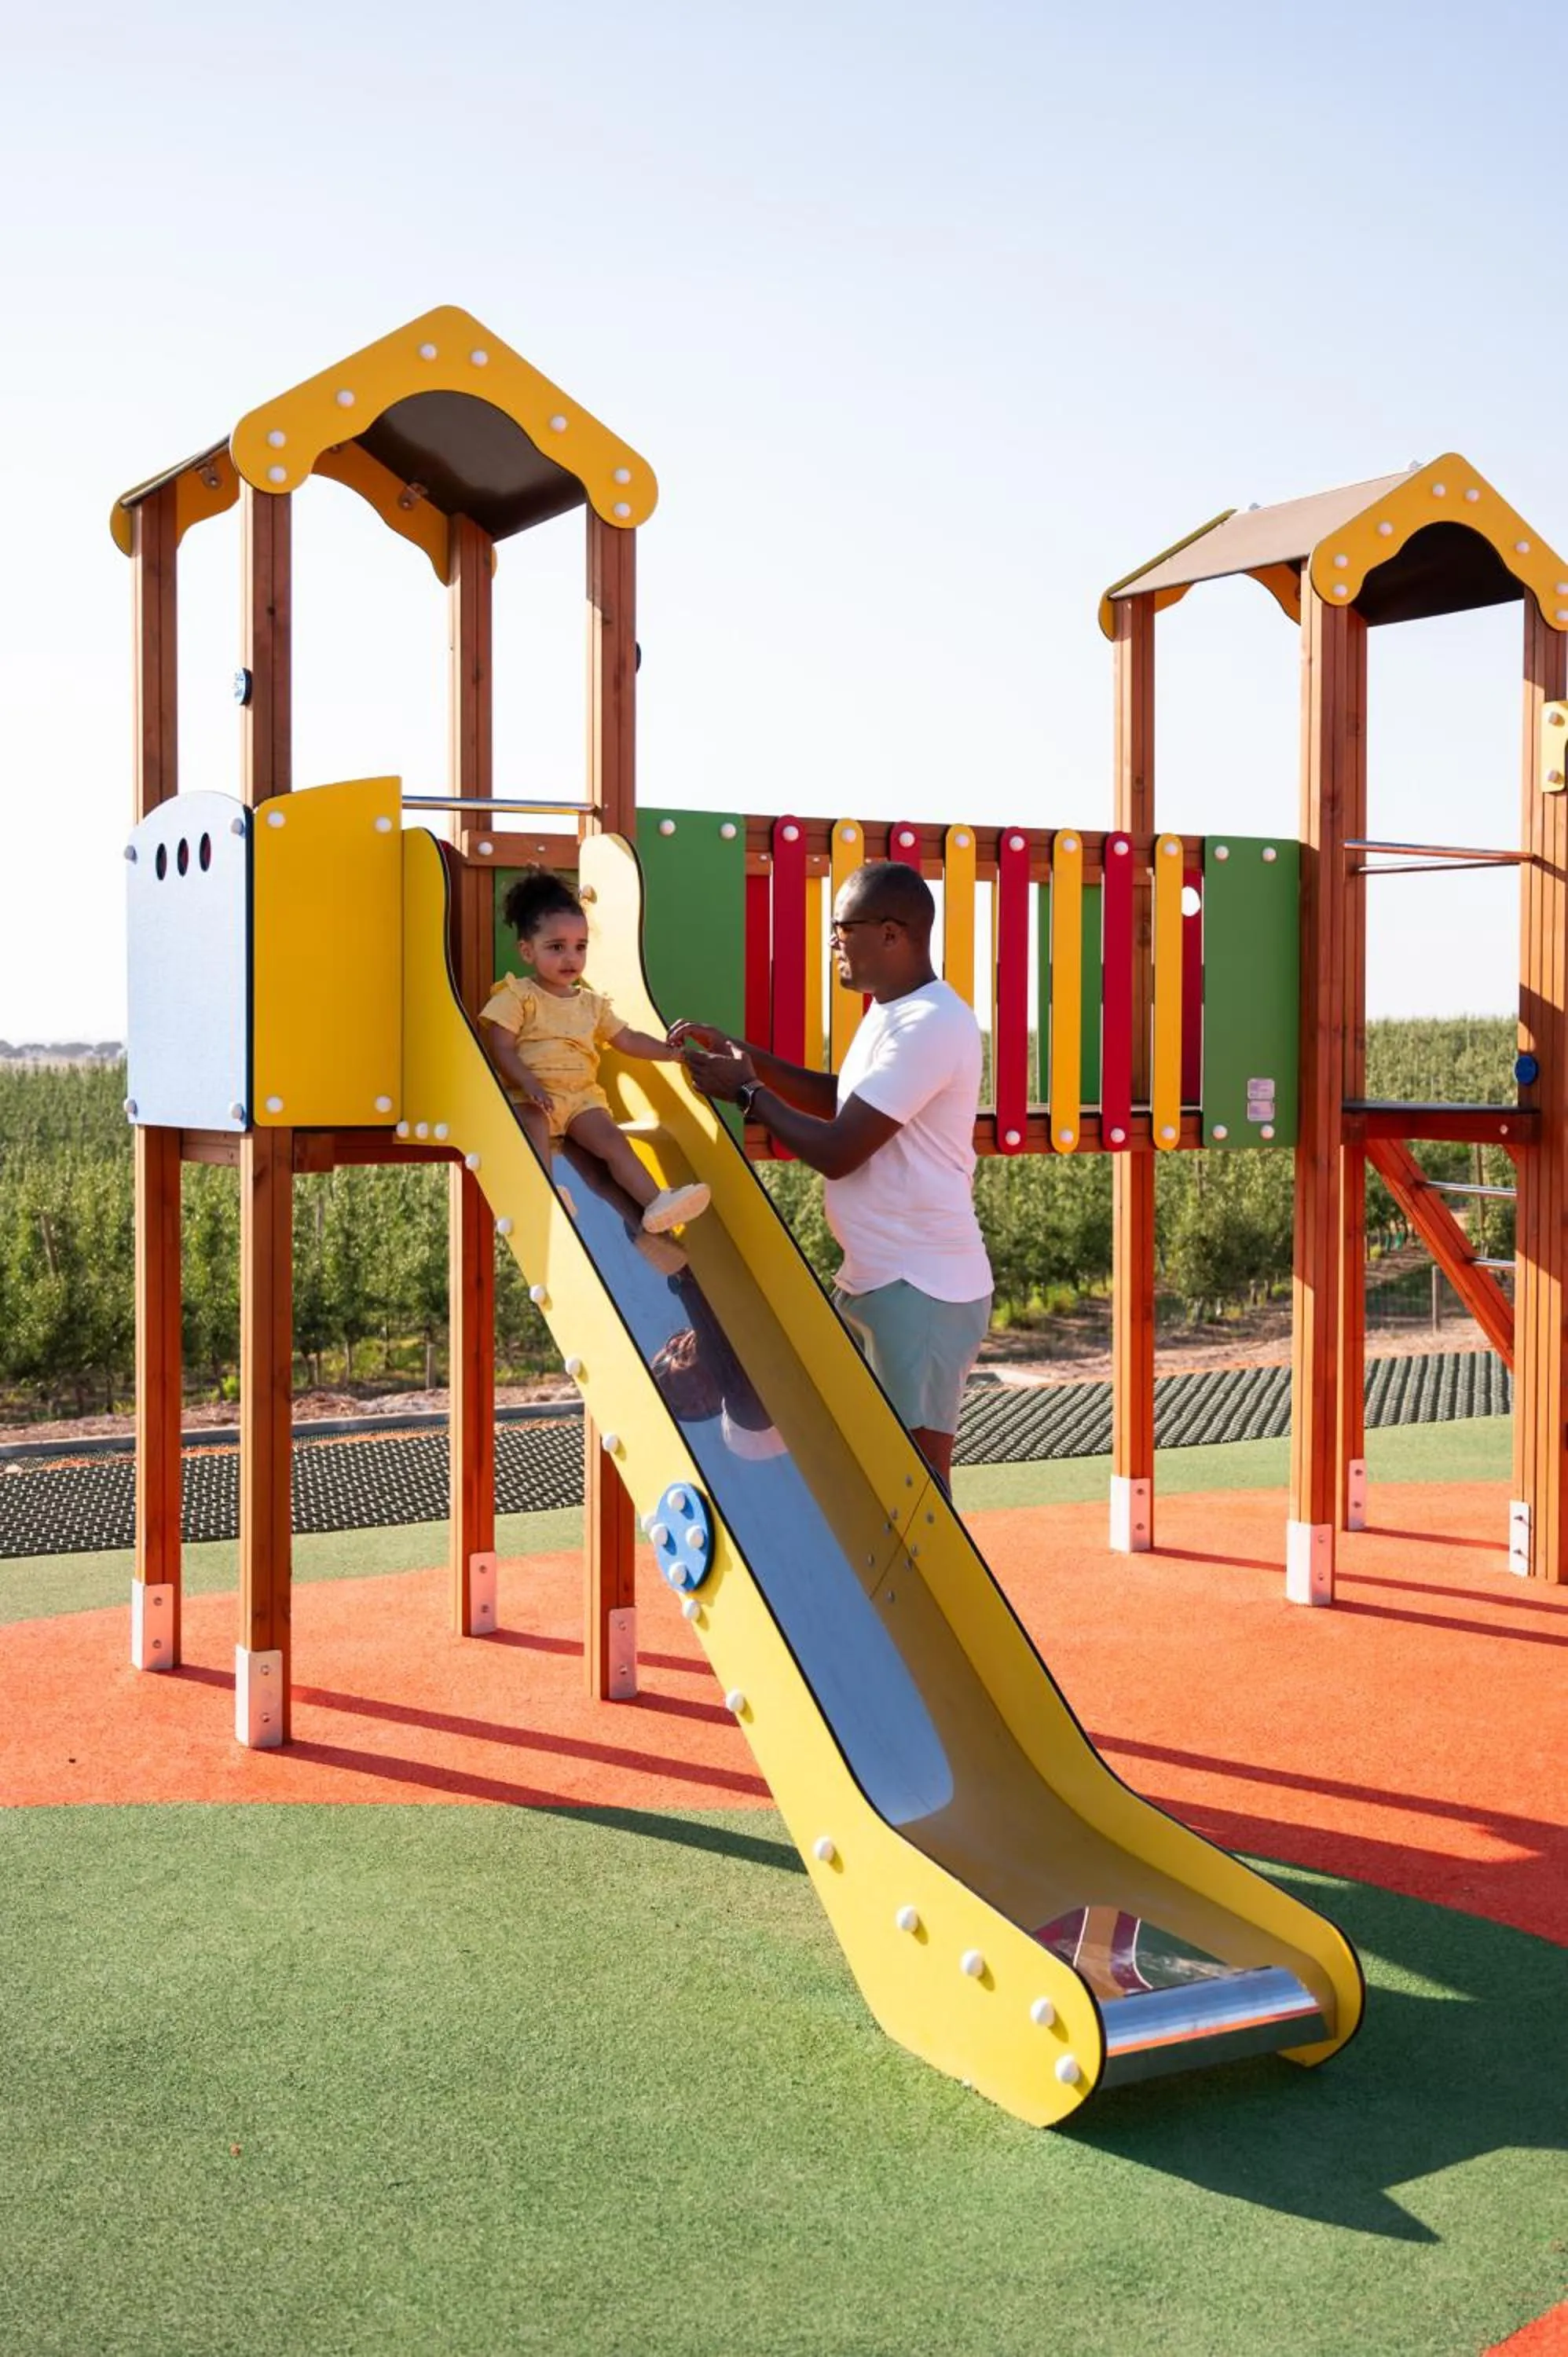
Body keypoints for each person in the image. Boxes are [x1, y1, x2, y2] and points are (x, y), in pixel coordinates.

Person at [673, 858, 992, 1490]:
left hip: (923, 1286)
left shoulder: (931, 1023)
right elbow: (843, 1097)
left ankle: (925, 1593)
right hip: (885, 1279)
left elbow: (841, 1148)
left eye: (842, 929)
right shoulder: (892, 1013)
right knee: (876, 1476)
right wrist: (747, 1059)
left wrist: (749, 1096)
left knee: (915, 1487)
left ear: (893, 934)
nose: (833, 944)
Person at [482, 870, 709, 1236]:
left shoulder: (592, 1004)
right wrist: (528, 1083)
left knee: (612, 1142)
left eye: (580, 946)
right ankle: (545, 1190)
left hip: (580, 1101)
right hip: (531, 1094)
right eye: (556, 947)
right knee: (531, 1127)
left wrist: (671, 1053)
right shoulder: (518, 996)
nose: (570, 957)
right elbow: (501, 1047)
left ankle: (655, 1202)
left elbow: (628, 1039)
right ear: (528, 951)